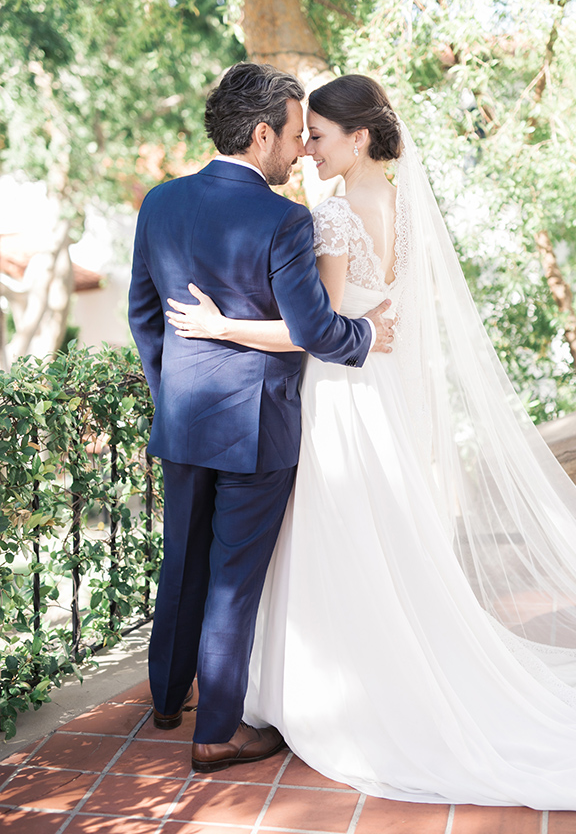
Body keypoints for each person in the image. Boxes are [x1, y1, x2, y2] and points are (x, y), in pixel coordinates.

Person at [165, 73, 576, 809]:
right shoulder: (403, 204)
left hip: (343, 393)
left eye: (320, 136)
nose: (307, 149)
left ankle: (337, 688)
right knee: (380, 534)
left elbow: (319, 331)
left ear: (359, 136)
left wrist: (220, 327)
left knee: (338, 538)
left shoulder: (334, 217)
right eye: (303, 135)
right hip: (385, 390)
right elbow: (391, 318)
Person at [128, 63, 394, 775]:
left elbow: (144, 317)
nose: (300, 148)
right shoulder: (284, 220)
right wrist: (368, 336)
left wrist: (173, 394)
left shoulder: (159, 202)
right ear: (260, 132)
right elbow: (314, 328)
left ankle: (165, 697)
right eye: (294, 132)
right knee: (232, 580)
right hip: (258, 428)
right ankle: (216, 732)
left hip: (184, 421)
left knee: (181, 560)